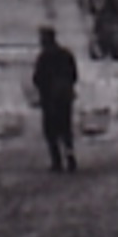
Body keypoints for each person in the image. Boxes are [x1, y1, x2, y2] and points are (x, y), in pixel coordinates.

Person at [32, 26, 79, 173]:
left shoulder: (44, 57)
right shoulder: (66, 54)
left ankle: (57, 161)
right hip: (65, 96)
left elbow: (38, 78)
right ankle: (70, 156)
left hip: (50, 98)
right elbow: (74, 75)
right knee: (66, 128)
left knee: (51, 130)